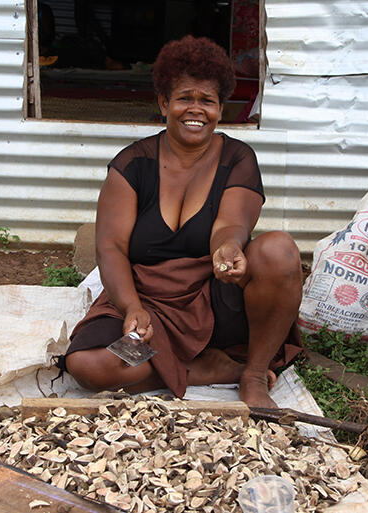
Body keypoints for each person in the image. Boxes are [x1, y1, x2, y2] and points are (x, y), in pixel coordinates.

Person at [61, 35, 304, 408]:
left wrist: (228, 247)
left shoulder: (237, 158)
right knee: (89, 365)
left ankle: (253, 375)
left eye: (207, 100)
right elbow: (110, 247)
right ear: (163, 103)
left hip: (216, 305)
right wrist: (131, 308)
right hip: (149, 305)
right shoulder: (132, 165)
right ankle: (210, 370)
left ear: (221, 108)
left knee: (279, 250)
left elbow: (230, 223)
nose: (196, 109)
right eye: (184, 98)